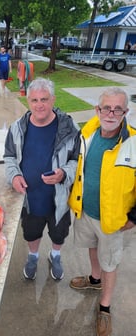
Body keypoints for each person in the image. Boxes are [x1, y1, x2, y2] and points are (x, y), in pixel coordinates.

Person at [68, 87, 136, 336]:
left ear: (125, 112)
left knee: (110, 262)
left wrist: (134, 218)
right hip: (86, 211)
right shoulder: (88, 131)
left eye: (117, 108)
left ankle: (105, 306)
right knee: (93, 248)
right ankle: (94, 281)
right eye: (106, 107)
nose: (111, 113)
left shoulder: (133, 143)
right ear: (98, 110)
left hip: (114, 219)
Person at [3, 77, 80, 281]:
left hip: (59, 199)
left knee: (58, 234)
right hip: (31, 198)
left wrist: (64, 173)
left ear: (53, 100)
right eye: (35, 100)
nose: (40, 105)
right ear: (28, 101)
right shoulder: (16, 128)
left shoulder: (70, 128)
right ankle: (33, 256)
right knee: (31, 234)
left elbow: (76, 161)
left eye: (44, 99)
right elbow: (9, 157)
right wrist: (15, 176)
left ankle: (55, 255)